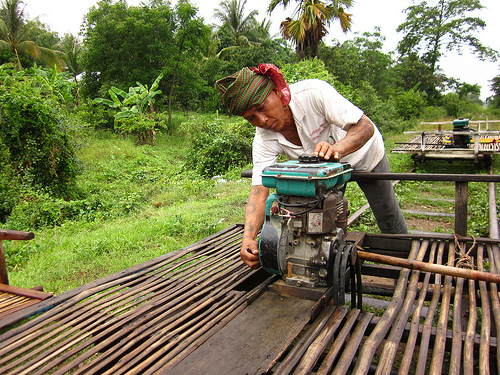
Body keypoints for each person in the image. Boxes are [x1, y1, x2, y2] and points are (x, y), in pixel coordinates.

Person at [215, 64, 407, 269]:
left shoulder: (313, 93)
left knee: (387, 214)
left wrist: (338, 149)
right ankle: (324, 262)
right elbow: (259, 189)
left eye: (262, 108)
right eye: (251, 118)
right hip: (324, 173)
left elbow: (365, 126)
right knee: (317, 217)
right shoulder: (263, 137)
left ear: (278, 93)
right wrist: (248, 238)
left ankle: (406, 261)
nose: (261, 120)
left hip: (365, 157)